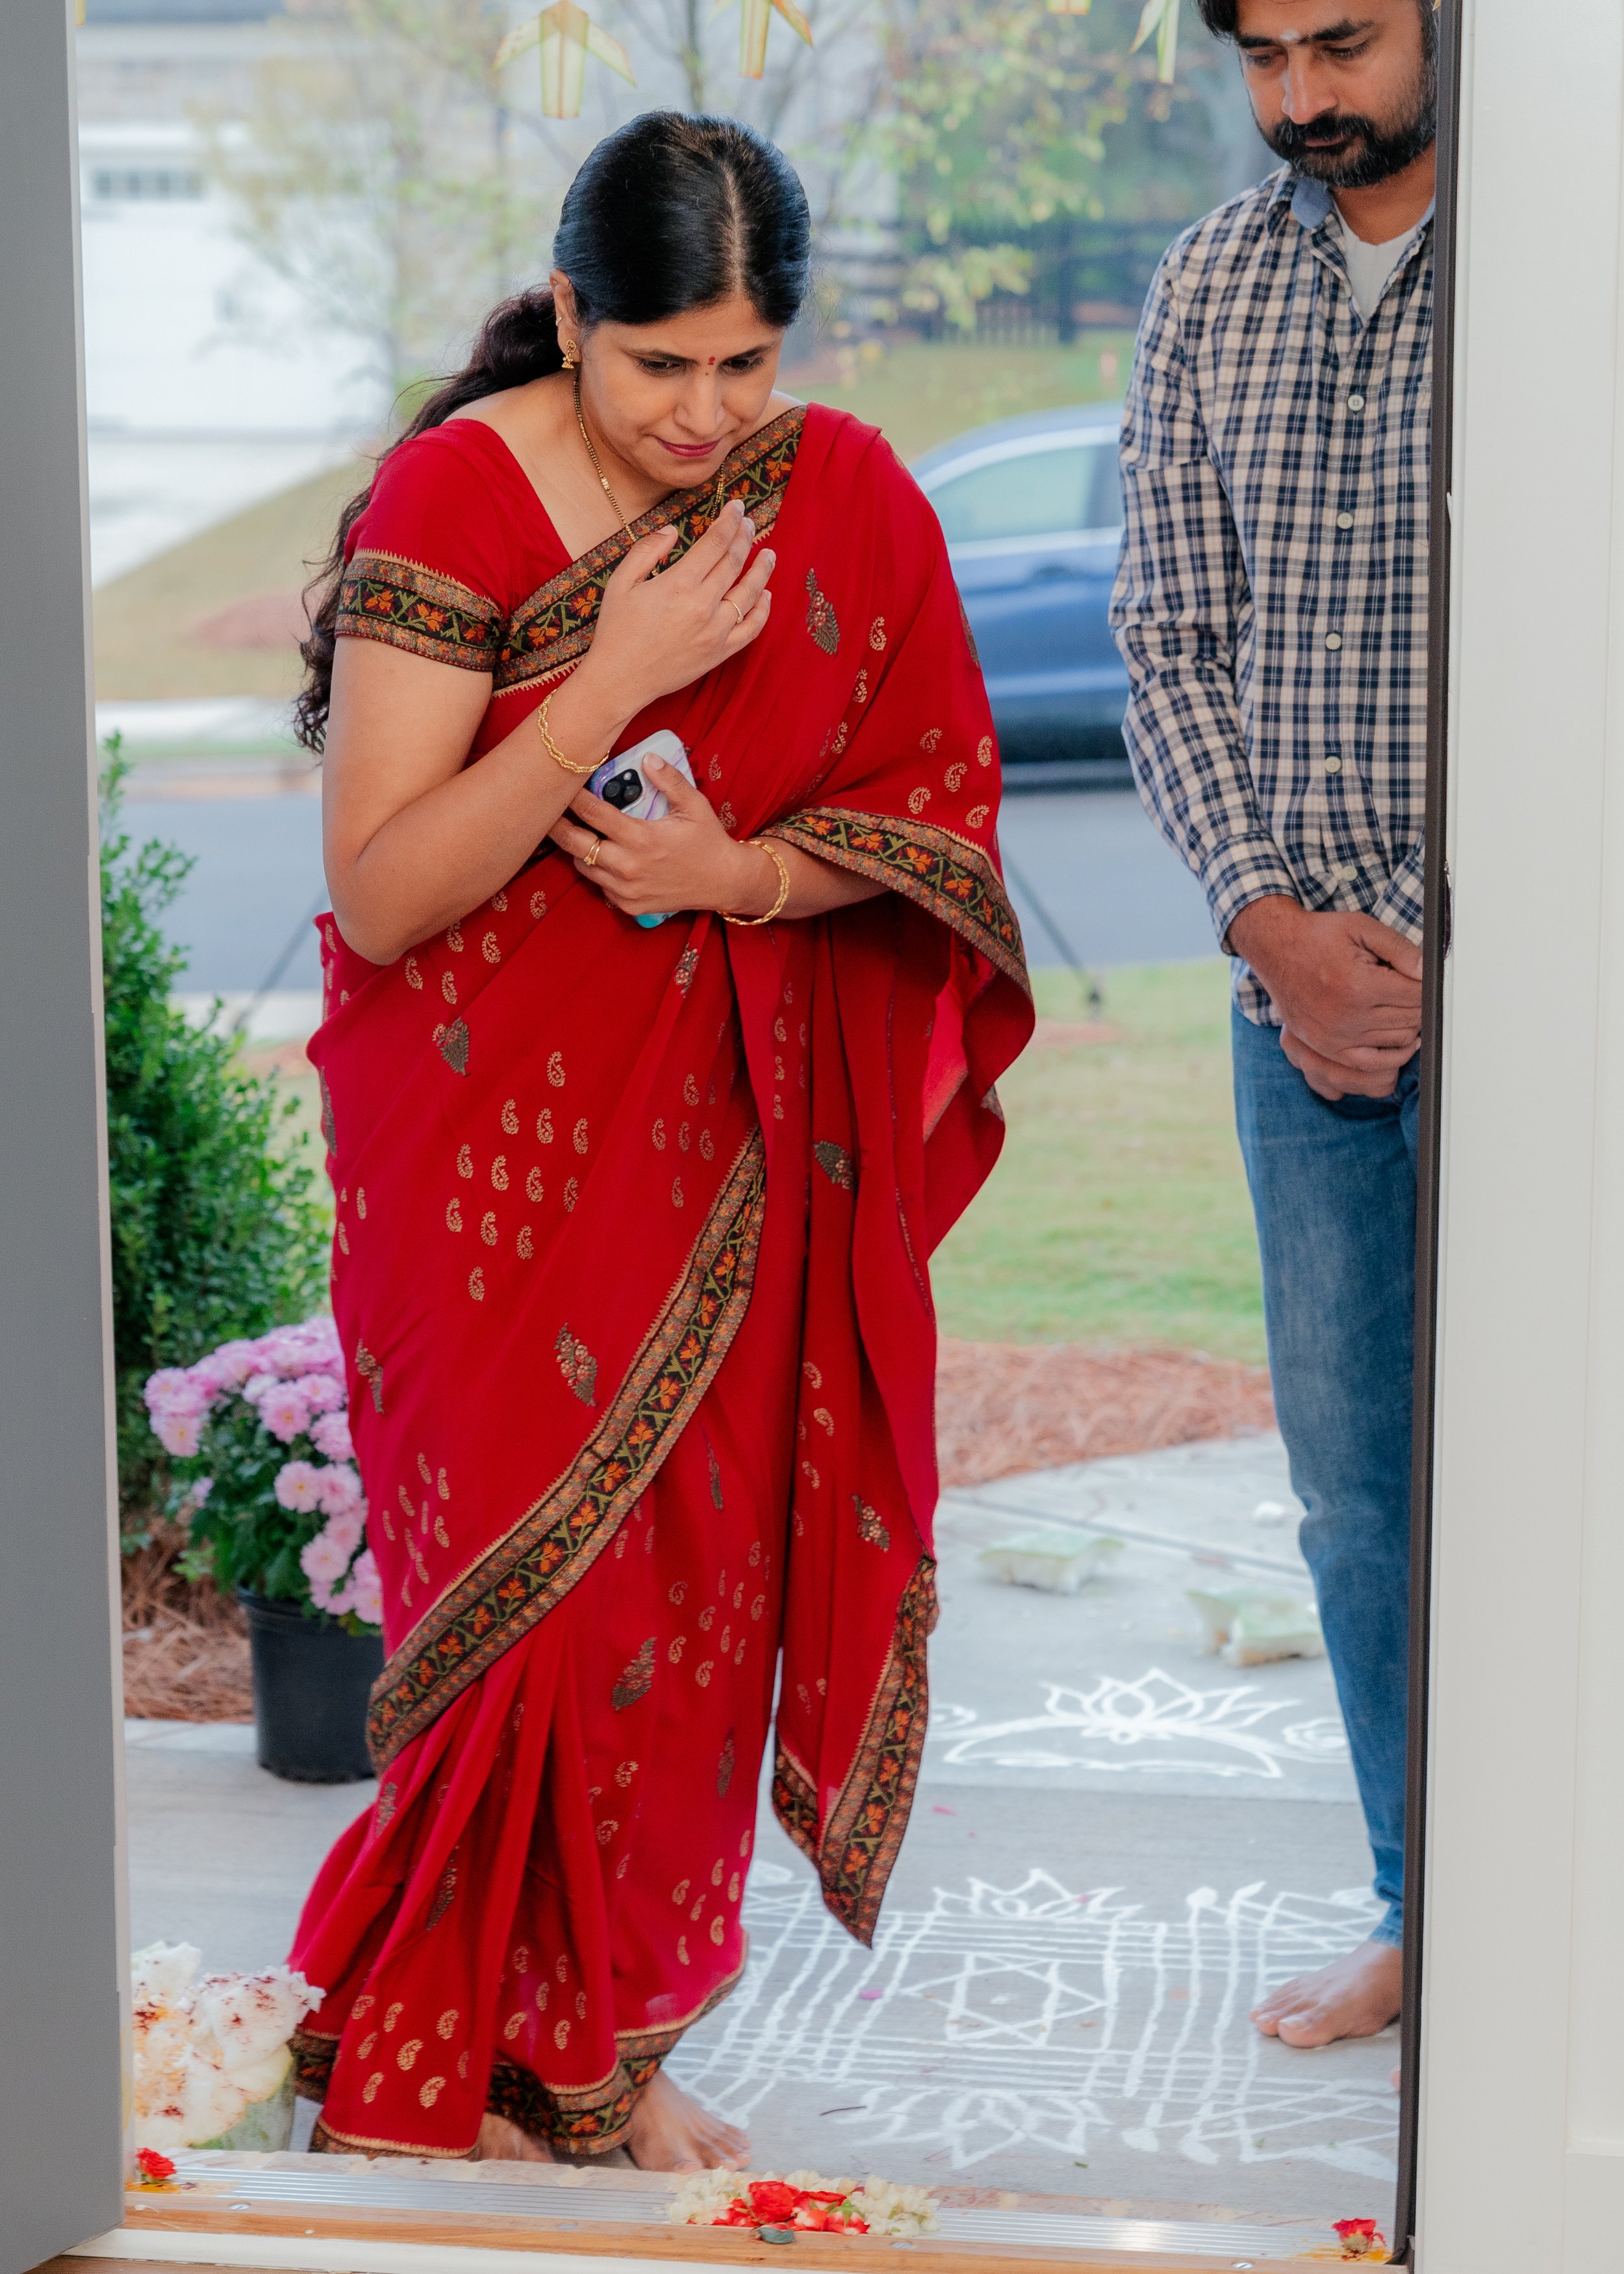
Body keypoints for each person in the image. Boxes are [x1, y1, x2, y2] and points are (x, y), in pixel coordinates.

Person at [285, 111, 1032, 2168]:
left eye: (744, 362)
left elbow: (935, 824)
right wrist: (610, 674)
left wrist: (741, 877)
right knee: (525, 1607)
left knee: (676, 1615)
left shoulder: (839, 494)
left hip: (726, 1154)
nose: (706, 414)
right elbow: (382, 890)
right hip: (476, 1171)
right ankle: (454, 2039)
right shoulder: (456, 494)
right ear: (566, 317)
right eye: (658, 365)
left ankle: (593, 2046)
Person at [1111, 0, 1434, 2050]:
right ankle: (1426, 1907)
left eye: (1344, 42)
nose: (1302, 98)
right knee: (1356, 1500)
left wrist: (1445, 954)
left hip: (1539, 1003)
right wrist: (1277, 936)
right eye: (1262, 57)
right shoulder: (1206, 284)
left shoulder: (1561, 262)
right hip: (1290, 1020)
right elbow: (1163, 637)